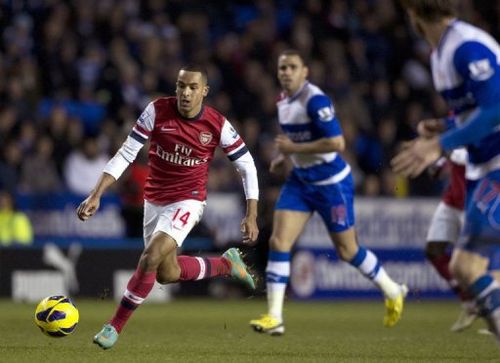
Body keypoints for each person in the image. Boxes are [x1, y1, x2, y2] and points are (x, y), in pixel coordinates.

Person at [77, 65, 259, 349]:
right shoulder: (156, 111)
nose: (185, 93)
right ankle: (226, 264)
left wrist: (252, 213)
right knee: (166, 272)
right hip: (154, 200)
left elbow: (246, 165)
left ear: (204, 91)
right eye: (180, 86)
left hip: (189, 199)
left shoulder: (216, 124)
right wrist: (96, 193)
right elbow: (127, 152)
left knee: (150, 256)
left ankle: (113, 326)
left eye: (192, 88)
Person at [249, 49, 408, 336]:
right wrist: (283, 157)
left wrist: (293, 150)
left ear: (304, 72)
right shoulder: (282, 101)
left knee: (347, 250)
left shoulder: (316, 100)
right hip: (300, 181)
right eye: (282, 67)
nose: (286, 72)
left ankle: (392, 289)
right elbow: (296, 139)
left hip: (332, 184)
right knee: (279, 241)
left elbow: (337, 143)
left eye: (292, 67)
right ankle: (275, 316)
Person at [392, 0, 500, 342]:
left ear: (413, 13)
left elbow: (496, 109)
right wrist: (444, 127)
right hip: (485, 166)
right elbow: (476, 110)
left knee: (467, 267)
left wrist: (442, 144)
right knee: (464, 267)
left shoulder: (464, 47)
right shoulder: (442, 52)